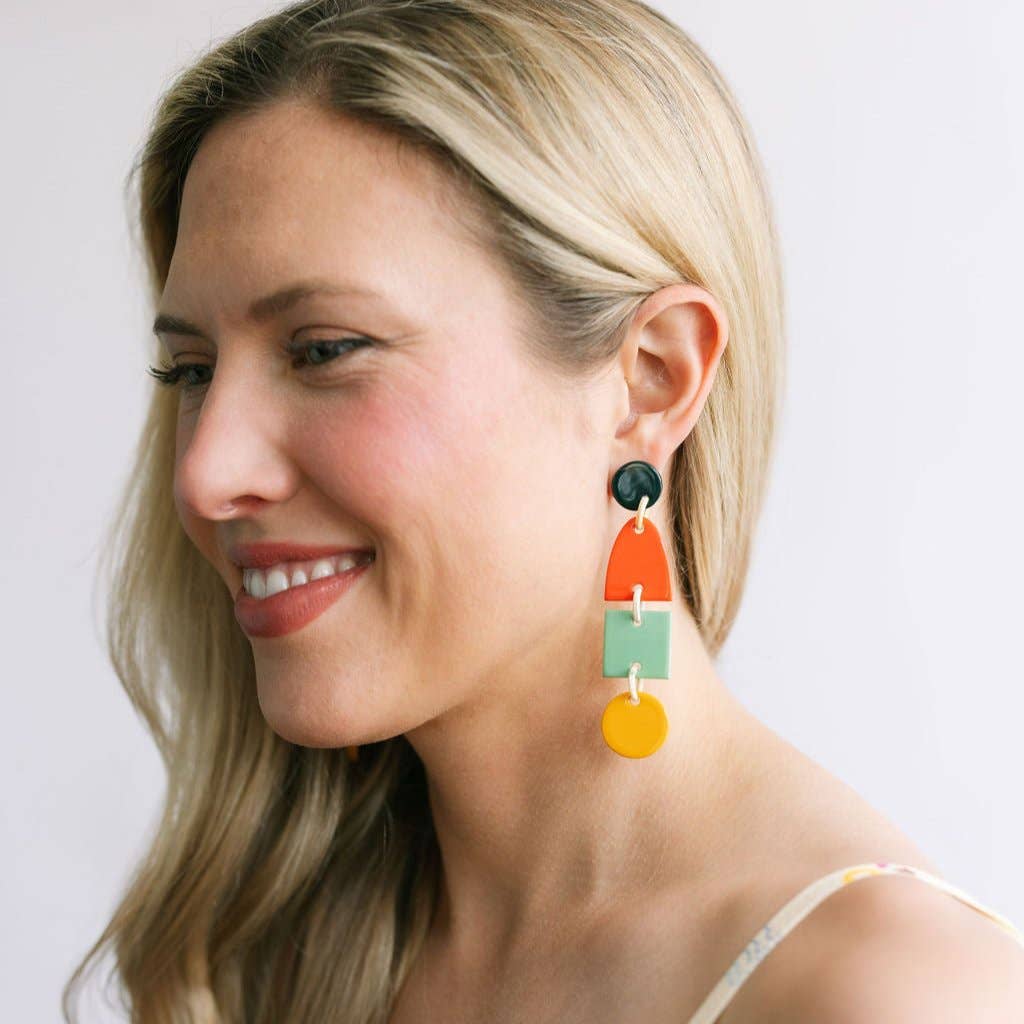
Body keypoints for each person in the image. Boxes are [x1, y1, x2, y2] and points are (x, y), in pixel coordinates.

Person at [64, 0, 1024, 1021]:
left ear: (650, 380)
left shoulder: (892, 994)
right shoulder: (278, 956)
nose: (205, 473)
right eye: (190, 371)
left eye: (324, 349)